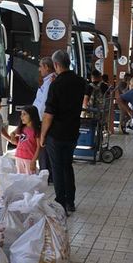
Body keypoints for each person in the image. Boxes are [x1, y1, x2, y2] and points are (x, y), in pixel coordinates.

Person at [40, 50, 86, 214]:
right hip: (73, 131)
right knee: (67, 166)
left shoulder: (56, 84)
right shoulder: (81, 82)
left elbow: (48, 114)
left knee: (57, 168)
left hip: (56, 134)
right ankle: (71, 202)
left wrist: (43, 135)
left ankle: (60, 202)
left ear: (57, 65)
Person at [33, 57, 56, 181]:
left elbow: (44, 105)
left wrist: (34, 117)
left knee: (43, 147)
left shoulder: (50, 82)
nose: (39, 69)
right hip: (41, 118)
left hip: (43, 120)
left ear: (47, 67)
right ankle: (46, 173)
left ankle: (46, 175)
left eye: (41, 66)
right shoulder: (47, 81)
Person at [10, 105, 41, 174]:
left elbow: (39, 147)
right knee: (20, 178)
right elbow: (12, 133)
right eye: (21, 114)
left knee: (30, 179)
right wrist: (12, 138)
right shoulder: (21, 128)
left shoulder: (36, 131)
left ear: (32, 115)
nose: (21, 117)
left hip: (29, 159)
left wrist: (33, 161)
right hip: (18, 157)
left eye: (24, 114)